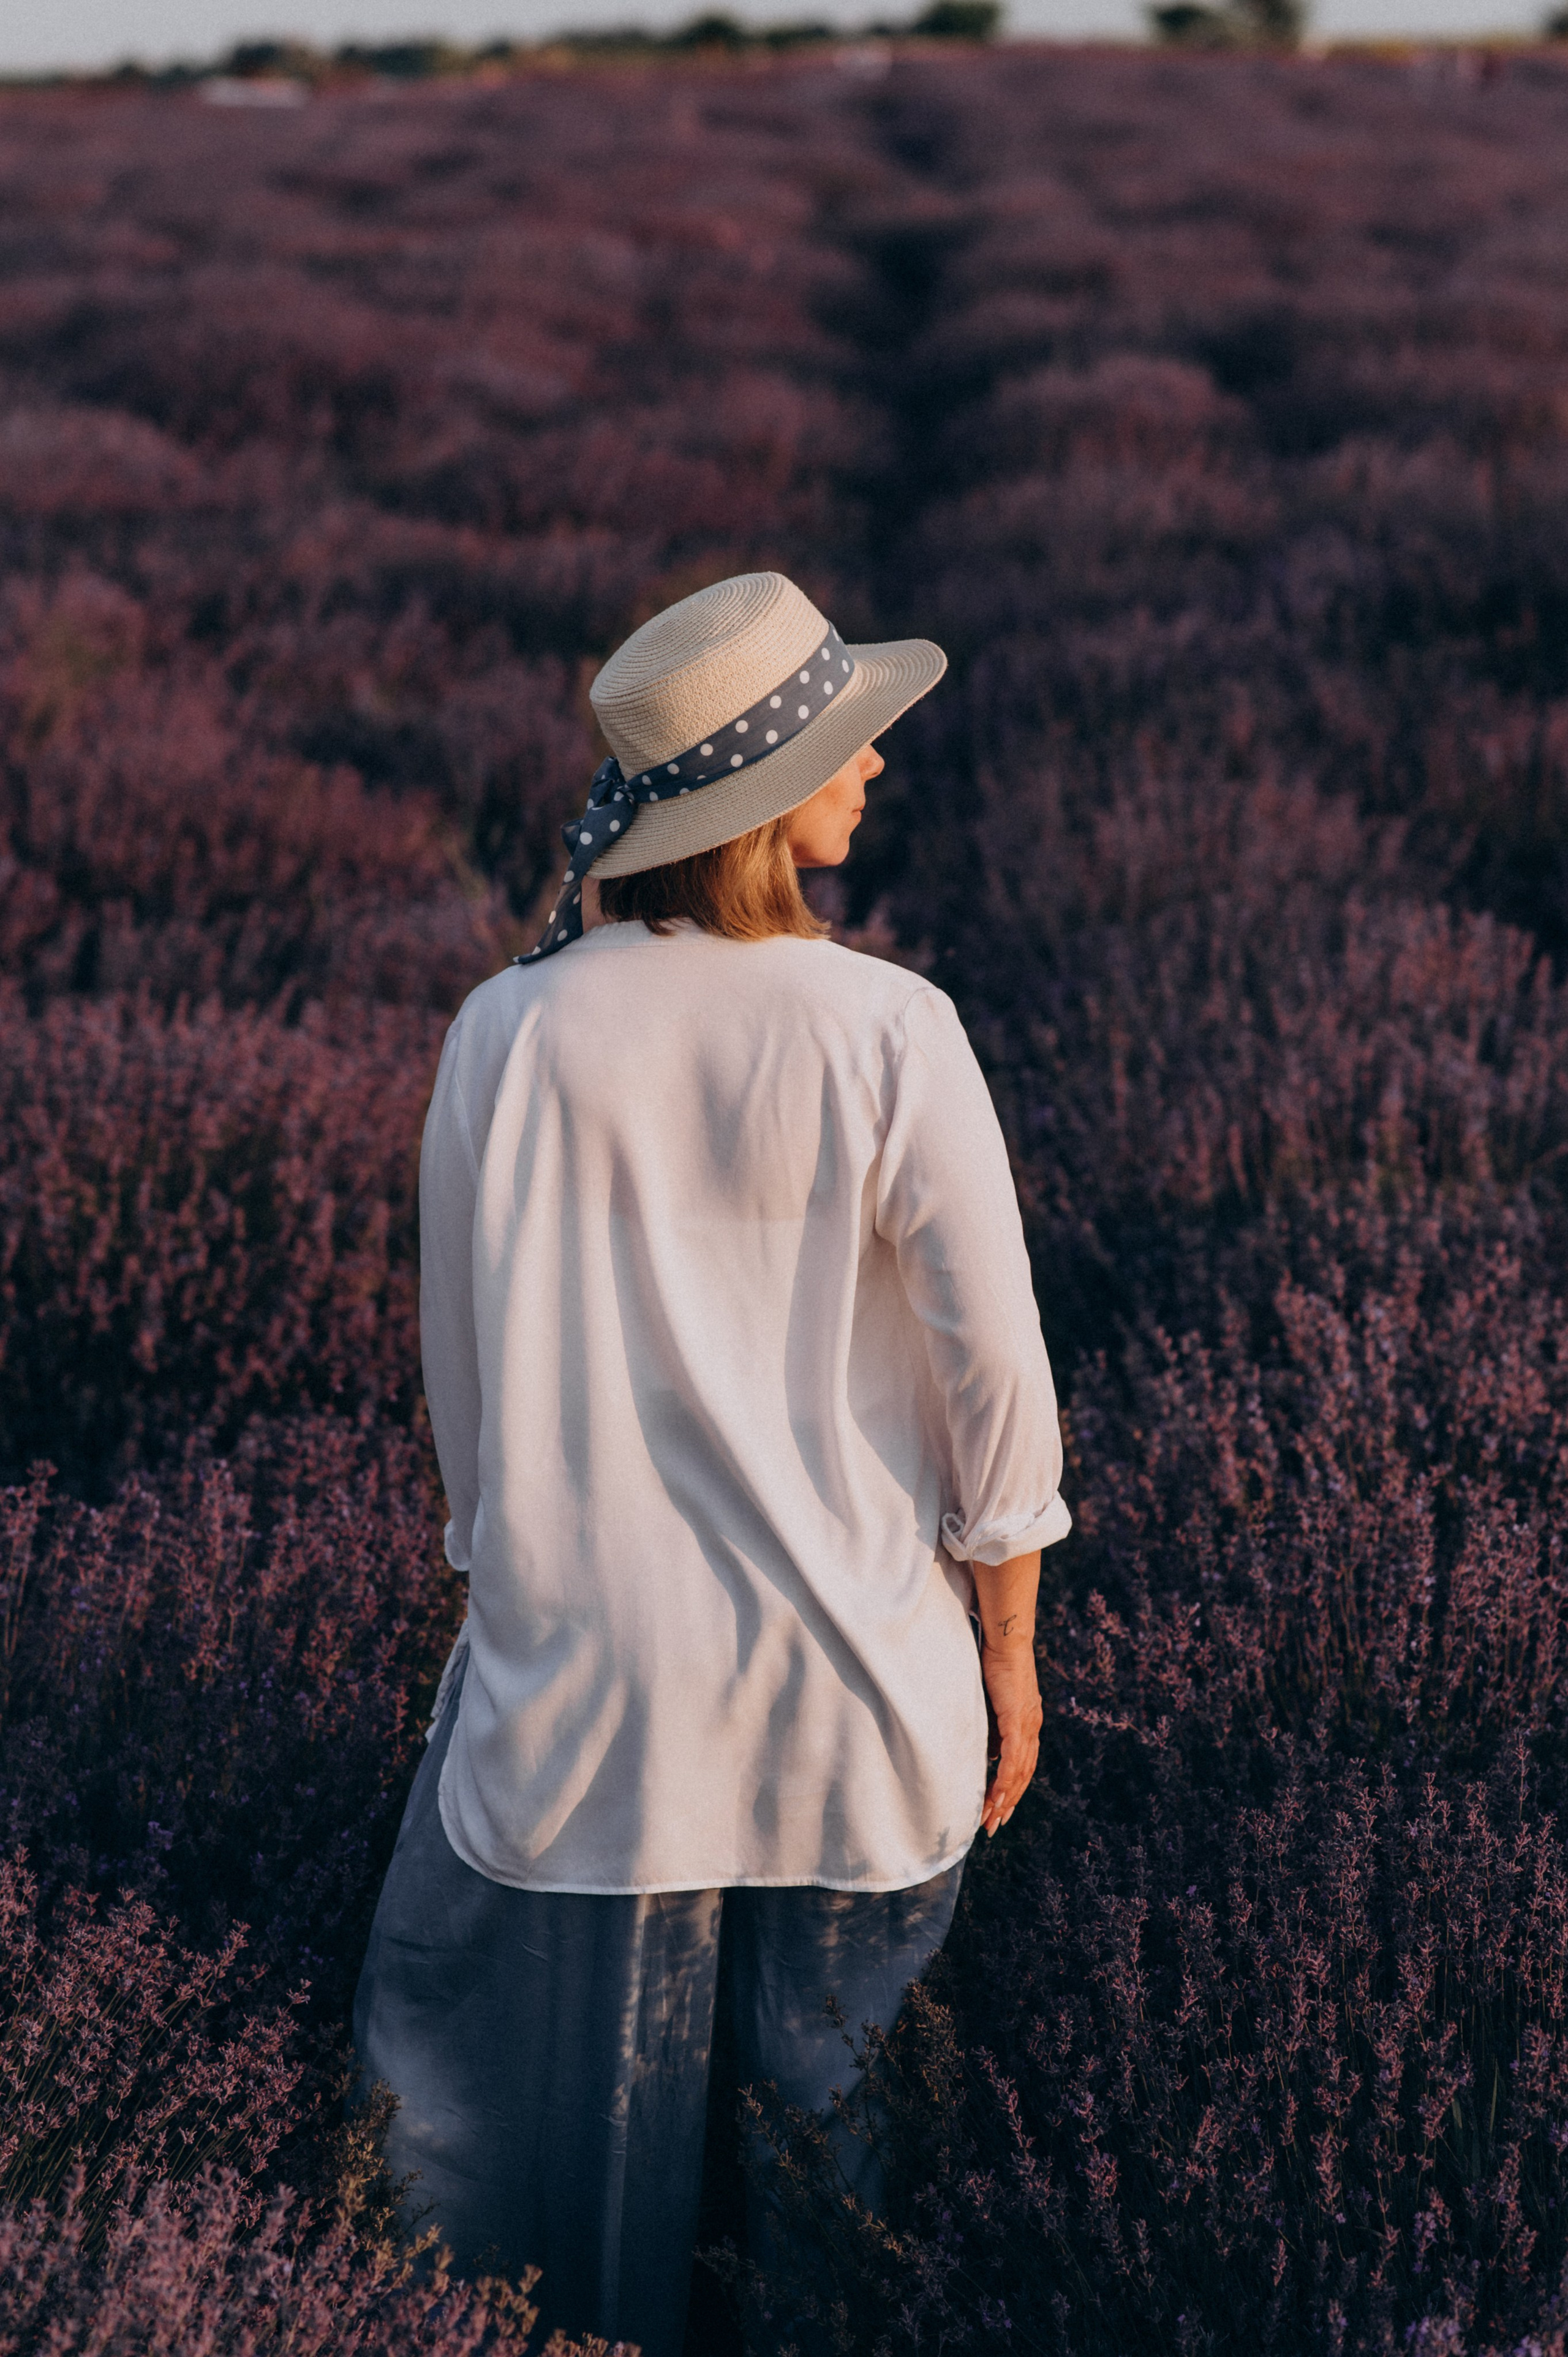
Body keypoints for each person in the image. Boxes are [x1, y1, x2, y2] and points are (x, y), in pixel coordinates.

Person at [352, 570, 1071, 2356]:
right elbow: (998, 1381)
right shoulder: (888, 1028)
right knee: (832, 2167)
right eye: (846, 743)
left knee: (563, 2203)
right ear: (759, 800)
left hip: (590, 1688)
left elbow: (466, 1388)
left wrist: (500, 1596)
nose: (879, 768)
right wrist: (1008, 1645)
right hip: (856, 1679)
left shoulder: (503, 1032)